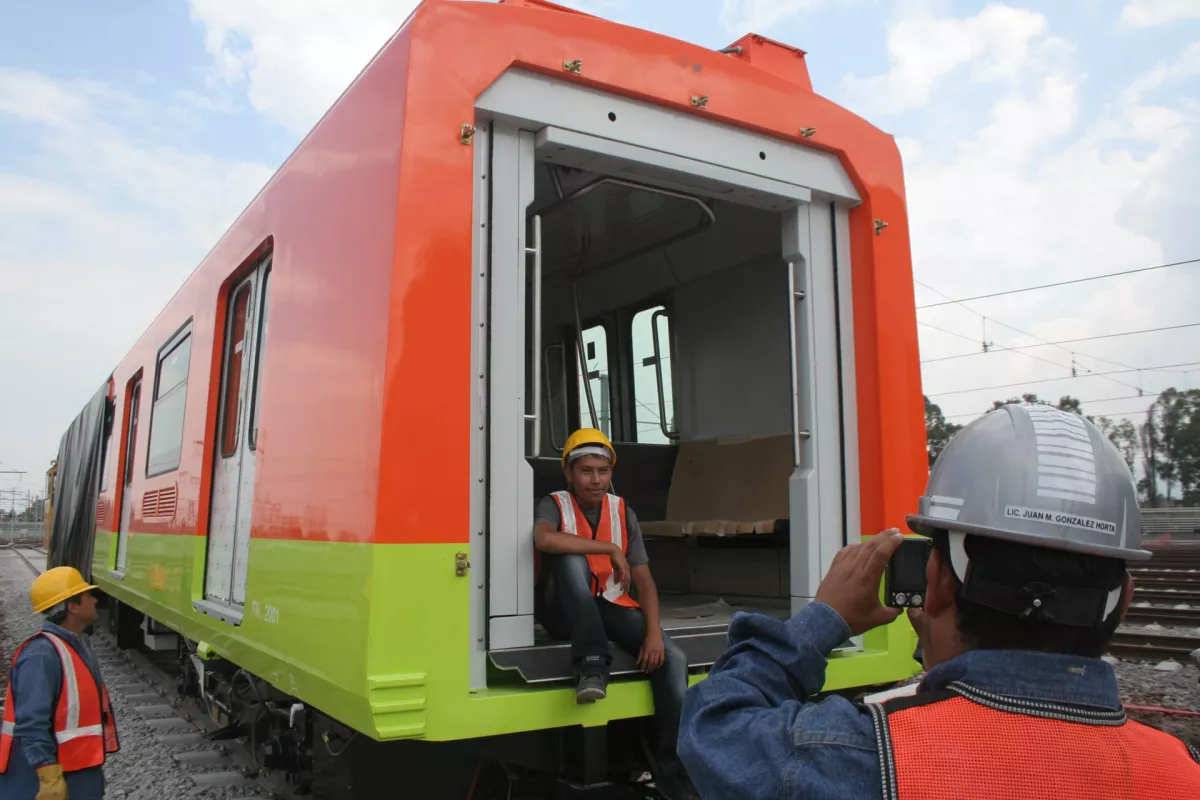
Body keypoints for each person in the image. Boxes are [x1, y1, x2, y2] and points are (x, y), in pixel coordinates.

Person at [677, 403, 1200, 799]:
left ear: (938, 582)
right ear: (1123, 599)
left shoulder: (864, 758)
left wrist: (822, 620)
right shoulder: (1181, 772)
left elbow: (712, 725)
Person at [533, 427, 697, 799]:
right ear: (570, 474)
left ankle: (672, 771)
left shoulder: (623, 511)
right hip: (563, 611)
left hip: (607, 604)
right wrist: (608, 548)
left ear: (611, 472)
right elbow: (544, 539)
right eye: (586, 471)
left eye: (602, 471)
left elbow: (646, 582)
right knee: (571, 558)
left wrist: (654, 633)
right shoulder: (553, 503)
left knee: (674, 658)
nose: (595, 480)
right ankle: (592, 663)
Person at [0, 566, 119, 800]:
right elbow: (31, 724)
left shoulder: (77, 645)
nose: (94, 599)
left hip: (78, 771)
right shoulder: (41, 655)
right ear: (72, 607)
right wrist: (48, 775)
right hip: (41, 777)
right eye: (87, 595)